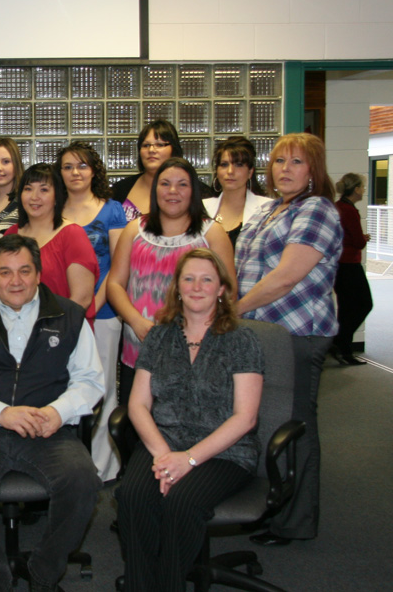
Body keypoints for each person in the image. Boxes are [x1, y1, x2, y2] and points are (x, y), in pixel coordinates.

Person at [0, 235, 104, 592]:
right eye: (6, 272)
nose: (16, 281)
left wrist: (58, 412)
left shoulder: (69, 315)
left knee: (84, 483)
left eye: (25, 271)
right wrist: (1, 413)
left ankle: (44, 570)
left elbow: (90, 381)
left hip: (48, 429)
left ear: (39, 274)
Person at [116, 248, 264, 592]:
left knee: (182, 503)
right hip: (163, 444)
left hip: (224, 452)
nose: (197, 287)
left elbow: (246, 417)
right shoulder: (158, 336)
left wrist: (189, 459)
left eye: (207, 279)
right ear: (177, 288)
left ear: (221, 289)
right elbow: (138, 404)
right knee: (132, 496)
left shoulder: (242, 340)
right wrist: (163, 455)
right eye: (189, 279)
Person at [235, 133, 343, 546]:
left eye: (297, 162)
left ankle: (295, 521)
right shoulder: (273, 209)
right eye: (280, 161)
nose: (285, 169)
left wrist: (234, 310)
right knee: (269, 423)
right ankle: (271, 508)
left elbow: (285, 277)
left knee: (295, 426)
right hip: (265, 334)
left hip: (297, 334)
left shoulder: (317, 210)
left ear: (314, 170)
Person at [107, 157, 234, 406]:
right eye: (165, 184)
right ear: (155, 190)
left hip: (195, 353)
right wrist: (137, 323)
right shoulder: (135, 229)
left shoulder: (212, 233)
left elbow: (228, 291)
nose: (173, 191)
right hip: (139, 350)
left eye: (182, 185)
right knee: (134, 430)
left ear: (194, 191)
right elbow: (115, 285)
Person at [57, 142, 127, 482]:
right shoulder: (53, 208)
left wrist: (92, 305)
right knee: (64, 387)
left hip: (102, 313)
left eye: (82, 166)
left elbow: (118, 265)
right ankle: (66, 464)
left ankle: (100, 468)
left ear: (94, 171)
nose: (75, 173)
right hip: (60, 315)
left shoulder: (112, 210)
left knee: (102, 389)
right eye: (68, 167)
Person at [4, 163, 99, 321]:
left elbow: (82, 299)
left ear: (57, 196)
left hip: (63, 330)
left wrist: (49, 330)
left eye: (44, 189)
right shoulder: (11, 234)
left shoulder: (72, 234)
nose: (34, 197)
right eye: (28, 189)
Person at [332, 173, 373, 366]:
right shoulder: (349, 210)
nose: (364, 190)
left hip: (338, 265)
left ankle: (343, 348)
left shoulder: (338, 207)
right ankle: (341, 342)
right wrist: (362, 239)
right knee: (364, 304)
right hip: (349, 264)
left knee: (346, 308)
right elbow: (357, 241)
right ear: (356, 189)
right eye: (362, 187)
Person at [203, 136, 272, 248]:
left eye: (239, 165)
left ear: (250, 172)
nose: (230, 171)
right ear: (217, 170)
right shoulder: (202, 207)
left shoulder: (267, 209)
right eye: (224, 165)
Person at [111, 120, 183, 222]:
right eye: (146, 145)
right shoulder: (120, 190)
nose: (152, 150)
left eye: (159, 145)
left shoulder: (195, 190)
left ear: (174, 149)